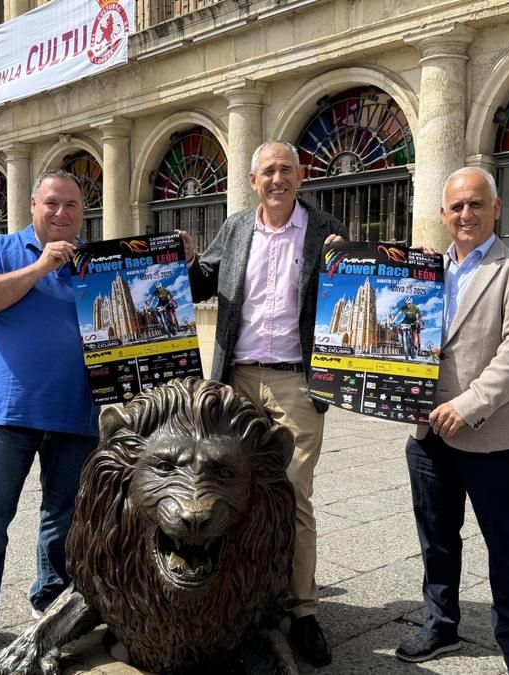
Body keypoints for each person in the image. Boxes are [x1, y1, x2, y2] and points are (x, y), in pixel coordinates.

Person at [185, 140, 345, 667]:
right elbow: (200, 284)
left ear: (301, 176)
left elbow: (349, 297)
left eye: (286, 170)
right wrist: (183, 259)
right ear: (253, 181)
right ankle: (235, 598)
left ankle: (303, 611)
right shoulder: (235, 229)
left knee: (294, 494)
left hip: (297, 381)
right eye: (268, 171)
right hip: (236, 381)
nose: (278, 179)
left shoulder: (325, 230)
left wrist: (348, 260)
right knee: (229, 490)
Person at [398, 167, 509, 675]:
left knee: (506, 543)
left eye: (476, 204)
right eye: (457, 206)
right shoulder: (418, 272)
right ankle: (441, 625)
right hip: (426, 433)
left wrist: (466, 406)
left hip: (491, 435)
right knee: (437, 539)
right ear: (443, 214)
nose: (466, 214)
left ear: (496, 208)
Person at [0, 170, 98, 665]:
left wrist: (176, 259)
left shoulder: (95, 262)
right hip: (6, 412)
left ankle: (49, 603)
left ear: (83, 211)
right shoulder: (0, 249)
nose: (61, 213)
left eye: (71, 205)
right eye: (52, 203)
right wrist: (40, 267)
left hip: (76, 412)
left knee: (65, 516)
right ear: (33, 204)